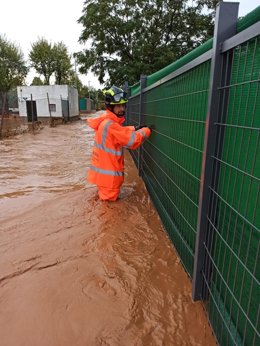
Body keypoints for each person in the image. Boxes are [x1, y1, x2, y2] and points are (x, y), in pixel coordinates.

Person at [87, 85, 152, 201]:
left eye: (123, 105)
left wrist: (135, 128)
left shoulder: (106, 121)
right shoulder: (111, 125)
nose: (122, 108)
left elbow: (119, 132)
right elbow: (131, 141)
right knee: (109, 211)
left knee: (104, 203)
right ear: (110, 107)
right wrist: (146, 131)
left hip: (103, 177)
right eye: (118, 106)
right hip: (110, 179)